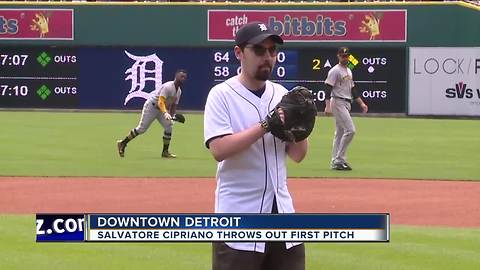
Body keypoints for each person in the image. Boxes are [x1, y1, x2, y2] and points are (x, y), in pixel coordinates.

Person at [204, 22, 307, 270]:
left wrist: (300, 129)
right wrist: (266, 125)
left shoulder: (282, 94)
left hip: (283, 216)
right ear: (239, 53)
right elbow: (219, 149)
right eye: (259, 51)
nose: (268, 58)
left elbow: (298, 155)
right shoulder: (221, 95)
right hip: (238, 220)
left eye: (272, 51)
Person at [116, 69, 187, 158]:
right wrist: (165, 113)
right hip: (152, 107)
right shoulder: (168, 86)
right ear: (176, 76)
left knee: (169, 126)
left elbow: (173, 106)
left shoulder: (179, 92)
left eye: (184, 77)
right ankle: (122, 143)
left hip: (162, 110)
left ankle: (165, 152)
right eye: (181, 76)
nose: (183, 78)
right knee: (142, 129)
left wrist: (172, 116)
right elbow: (160, 102)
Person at [324, 47, 368, 170]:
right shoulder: (335, 71)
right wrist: (327, 106)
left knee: (340, 133)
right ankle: (339, 159)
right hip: (338, 101)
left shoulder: (349, 70)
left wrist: (361, 103)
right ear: (338, 56)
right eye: (343, 56)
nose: (345, 58)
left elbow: (352, 89)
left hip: (346, 102)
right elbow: (328, 87)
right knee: (350, 130)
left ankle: (335, 161)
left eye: (347, 56)